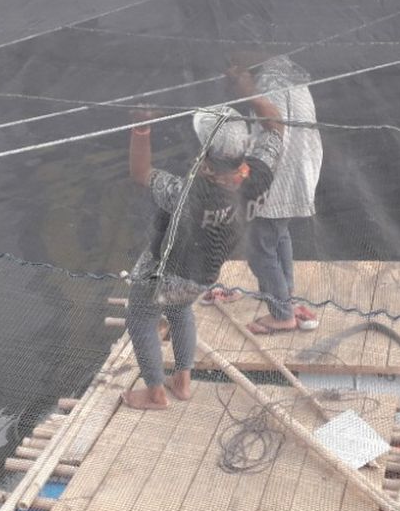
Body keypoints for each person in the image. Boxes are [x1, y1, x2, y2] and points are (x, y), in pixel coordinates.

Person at [122, 82, 284, 410]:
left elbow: (141, 173)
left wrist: (141, 127)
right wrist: (249, 90)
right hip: (204, 274)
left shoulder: (187, 195)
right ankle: (182, 381)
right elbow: (275, 124)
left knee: (140, 317)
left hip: (164, 271)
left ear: (206, 153)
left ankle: (155, 393)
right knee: (181, 310)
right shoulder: (261, 174)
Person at [220, 49, 323, 335]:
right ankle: (286, 299)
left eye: (234, 58)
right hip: (301, 168)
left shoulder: (268, 82)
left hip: (279, 174)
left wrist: (248, 89)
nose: (232, 66)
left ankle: (281, 315)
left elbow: (272, 123)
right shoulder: (287, 72)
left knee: (259, 247)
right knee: (279, 235)